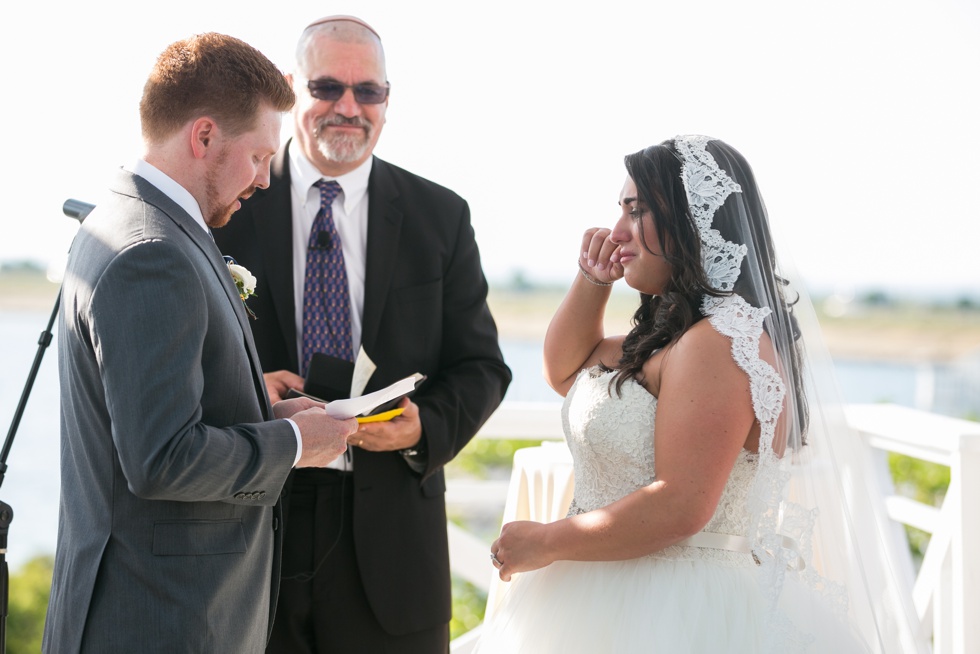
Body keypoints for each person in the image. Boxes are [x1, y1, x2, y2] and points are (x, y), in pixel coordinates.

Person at [477, 136, 925, 652]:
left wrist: (547, 541)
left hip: (675, 611)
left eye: (637, 210)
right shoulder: (676, 337)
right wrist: (592, 279)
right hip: (610, 595)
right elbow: (568, 371)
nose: (616, 230)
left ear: (694, 223)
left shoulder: (720, 342)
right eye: (619, 210)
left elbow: (682, 504)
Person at [42, 33, 360, 654]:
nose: (266, 180)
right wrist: (294, 443)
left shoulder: (129, 223)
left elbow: (145, 423)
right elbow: (161, 458)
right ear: (204, 136)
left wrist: (261, 416)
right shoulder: (151, 252)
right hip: (158, 620)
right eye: (260, 157)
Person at [212, 15, 511, 653]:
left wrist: (424, 426)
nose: (348, 107)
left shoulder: (441, 215)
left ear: (386, 99)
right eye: (327, 87)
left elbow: (483, 366)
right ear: (292, 91)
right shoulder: (226, 206)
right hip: (250, 534)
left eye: (367, 91)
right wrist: (245, 390)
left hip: (393, 546)